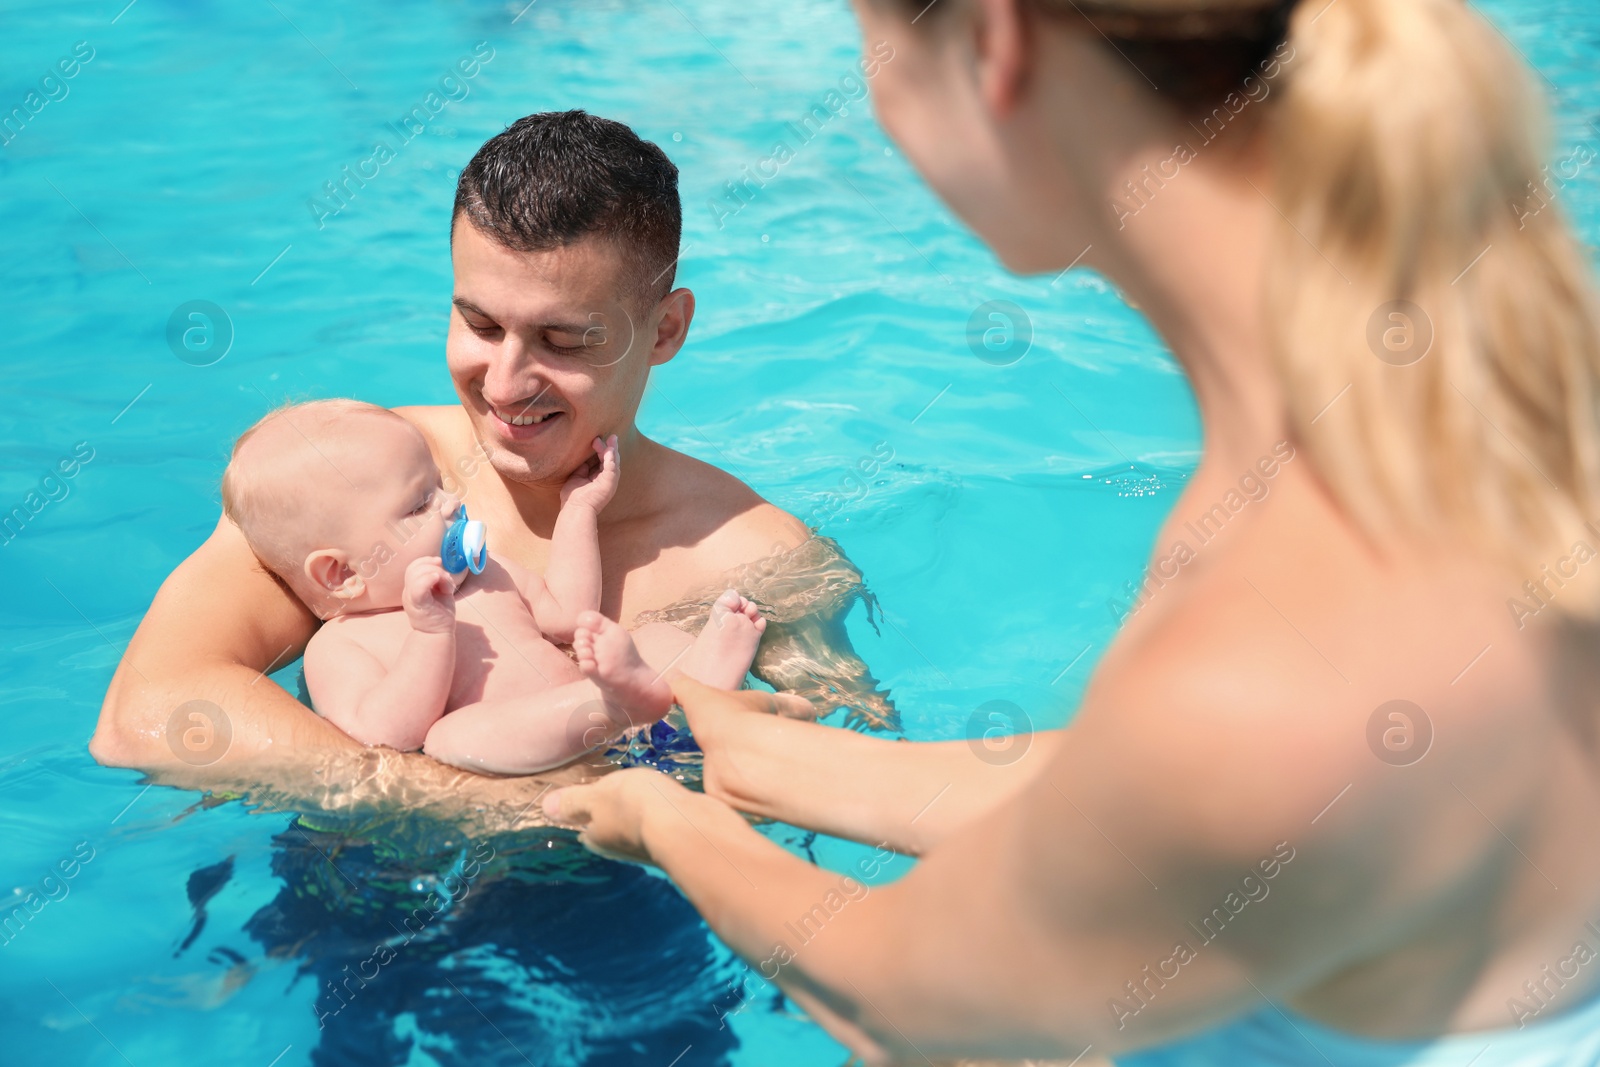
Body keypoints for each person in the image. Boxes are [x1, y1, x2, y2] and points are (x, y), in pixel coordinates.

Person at [544, 0, 1600, 1063]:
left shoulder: (1267, 676)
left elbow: (926, 1009)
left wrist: (660, 819)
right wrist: (755, 750)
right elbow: (1141, 802)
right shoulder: (1452, 427)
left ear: (995, 45)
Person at [91, 111, 890, 825]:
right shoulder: (350, 474)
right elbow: (147, 711)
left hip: (619, 916)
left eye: (564, 339)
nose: (505, 385)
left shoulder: (758, 562)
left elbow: (827, 779)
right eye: (478, 323)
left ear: (666, 330)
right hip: (363, 886)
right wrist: (482, 799)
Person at [220, 400, 767, 773]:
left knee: (657, 636)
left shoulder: (484, 572)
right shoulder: (342, 646)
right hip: (540, 754)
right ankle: (621, 704)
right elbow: (387, 735)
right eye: (419, 505)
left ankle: (703, 683)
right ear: (341, 574)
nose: (451, 502)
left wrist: (578, 512)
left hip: (610, 721)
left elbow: (568, 613)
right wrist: (430, 634)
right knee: (450, 740)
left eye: (439, 486)